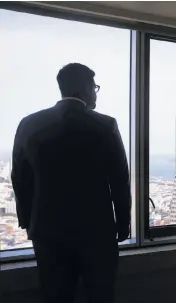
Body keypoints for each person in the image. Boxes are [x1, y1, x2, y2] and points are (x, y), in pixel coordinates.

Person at [11, 63, 131, 303]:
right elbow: (119, 180)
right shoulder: (105, 126)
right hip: (97, 233)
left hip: (47, 232)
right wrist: (123, 226)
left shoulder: (28, 124)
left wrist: (26, 221)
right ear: (85, 88)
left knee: (56, 297)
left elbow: (19, 178)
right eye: (95, 87)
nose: (96, 93)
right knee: (100, 296)